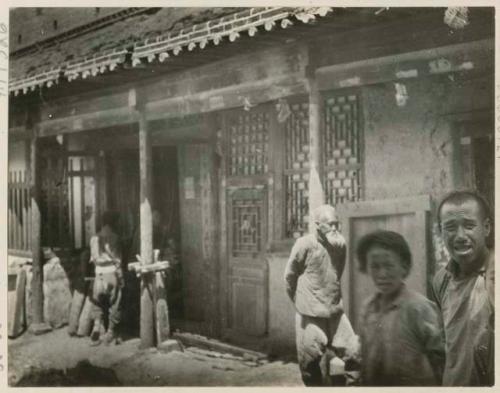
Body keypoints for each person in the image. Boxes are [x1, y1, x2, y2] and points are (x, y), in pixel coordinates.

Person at [357, 230, 445, 386]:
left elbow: (442, 360)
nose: (382, 274)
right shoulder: (368, 308)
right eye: (375, 266)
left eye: (389, 265)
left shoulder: (419, 308)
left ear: (404, 267)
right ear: (366, 267)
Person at [284, 204, 359, 386]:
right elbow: (289, 277)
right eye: (330, 224)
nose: (334, 228)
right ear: (317, 225)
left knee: (355, 354)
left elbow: (337, 272)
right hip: (310, 315)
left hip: (335, 313)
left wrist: (329, 296)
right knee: (310, 367)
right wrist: (302, 303)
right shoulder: (304, 245)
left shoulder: (340, 244)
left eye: (336, 224)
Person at [432, 190, 494, 386]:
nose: (460, 236)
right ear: (441, 232)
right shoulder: (441, 280)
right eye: (450, 227)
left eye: (469, 226)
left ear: (486, 228)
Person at [89, 211, 123, 346]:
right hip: (111, 274)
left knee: (97, 303)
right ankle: (110, 332)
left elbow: (93, 259)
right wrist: (121, 276)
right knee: (115, 303)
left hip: (99, 274)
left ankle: (97, 327)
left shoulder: (94, 238)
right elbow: (118, 260)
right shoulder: (116, 238)